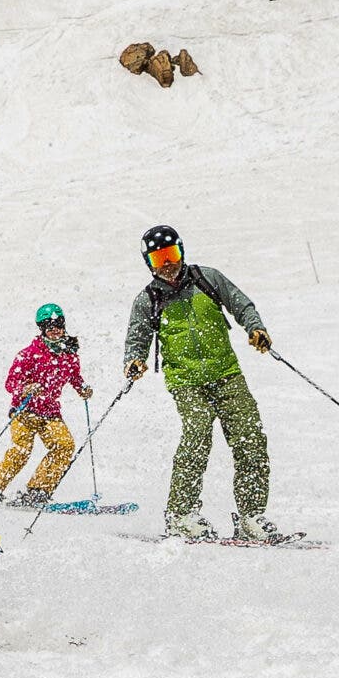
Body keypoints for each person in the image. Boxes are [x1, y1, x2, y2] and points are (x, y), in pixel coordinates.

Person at [122, 225, 285, 542]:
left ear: (181, 252)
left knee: (250, 438)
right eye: (159, 259)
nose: (167, 264)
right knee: (197, 433)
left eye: (171, 255)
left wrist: (255, 328)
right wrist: (133, 360)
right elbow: (136, 337)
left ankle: (252, 516)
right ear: (149, 263)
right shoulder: (148, 299)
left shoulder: (207, 278)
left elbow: (242, 305)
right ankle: (181, 516)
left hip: (227, 373)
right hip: (186, 380)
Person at [0, 304, 92, 505]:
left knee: (64, 446)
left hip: (50, 413)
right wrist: (25, 388)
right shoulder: (29, 354)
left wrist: (82, 388)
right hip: (24, 412)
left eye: (58, 324)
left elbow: (74, 376)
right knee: (20, 451)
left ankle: (38, 490)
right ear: (42, 329)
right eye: (49, 326)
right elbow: (10, 383)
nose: (54, 329)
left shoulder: (69, 354)